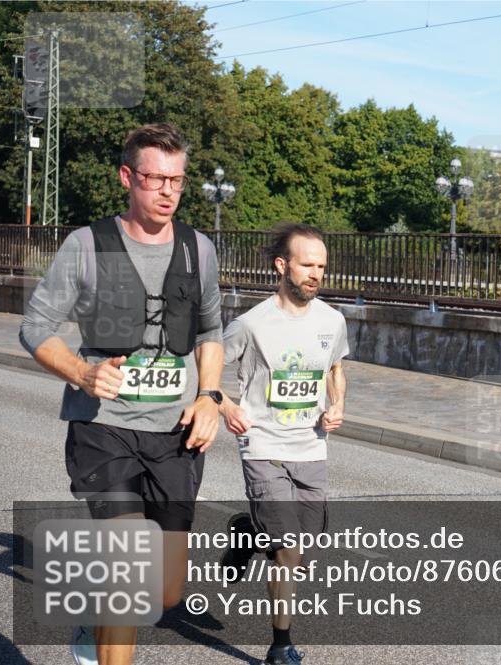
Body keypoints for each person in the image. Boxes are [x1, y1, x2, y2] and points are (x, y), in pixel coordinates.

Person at [19, 123, 224, 665]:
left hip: (174, 436)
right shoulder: (86, 245)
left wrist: (211, 398)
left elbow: (210, 333)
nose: (167, 192)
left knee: (166, 592)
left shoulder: (198, 251)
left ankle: (92, 613)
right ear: (127, 177)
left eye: (177, 181)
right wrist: (80, 374)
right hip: (104, 428)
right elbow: (35, 327)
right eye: (156, 179)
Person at [218, 222, 349, 665]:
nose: (316, 273)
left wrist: (338, 405)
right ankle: (281, 645)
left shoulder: (332, 321)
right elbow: (206, 369)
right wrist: (225, 407)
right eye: (307, 264)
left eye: (322, 266)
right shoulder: (250, 324)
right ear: (282, 265)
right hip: (263, 446)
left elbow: (335, 370)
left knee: (304, 552)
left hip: (311, 447)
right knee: (287, 552)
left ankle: (247, 531)